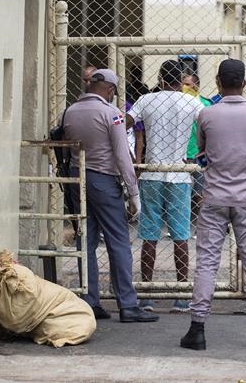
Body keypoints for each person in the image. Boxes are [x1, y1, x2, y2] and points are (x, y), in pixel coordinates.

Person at [179, 59, 246, 351]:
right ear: (244, 84)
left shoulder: (206, 114)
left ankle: (197, 328)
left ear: (218, 83)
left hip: (214, 197)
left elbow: (202, 153)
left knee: (207, 262)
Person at [62, 69, 158, 323]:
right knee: (118, 241)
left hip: (76, 178)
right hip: (104, 180)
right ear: (110, 89)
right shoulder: (111, 114)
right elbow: (122, 154)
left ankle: (90, 301)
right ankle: (127, 304)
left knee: (86, 241)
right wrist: (133, 191)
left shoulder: (70, 111)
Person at [127, 60, 204, 314]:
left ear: (160, 79)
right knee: (180, 234)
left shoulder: (147, 100)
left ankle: (147, 294)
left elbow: (126, 122)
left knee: (149, 234)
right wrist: (201, 151)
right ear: (180, 81)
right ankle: (181, 294)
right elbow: (207, 124)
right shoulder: (191, 102)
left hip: (152, 172)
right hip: (179, 173)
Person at [183, 73, 213, 218]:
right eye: (183, 84)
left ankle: (203, 221)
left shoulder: (206, 104)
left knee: (201, 192)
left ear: (196, 86)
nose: (184, 87)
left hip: (200, 152)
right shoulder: (179, 103)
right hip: (183, 153)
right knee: (182, 191)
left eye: (187, 84)